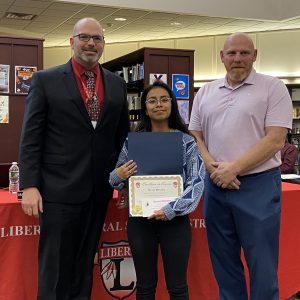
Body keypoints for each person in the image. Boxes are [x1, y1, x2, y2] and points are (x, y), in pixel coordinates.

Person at [19, 17, 129, 300]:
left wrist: (126, 184)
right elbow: (31, 138)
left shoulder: (117, 85)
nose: (91, 43)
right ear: (72, 41)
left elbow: (122, 140)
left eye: (97, 38)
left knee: (83, 265)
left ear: (103, 44)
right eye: (84, 37)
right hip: (56, 192)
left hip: (98, 191)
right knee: (55, 268)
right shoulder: (45, 80)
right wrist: (29, 186)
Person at [189, 32, 292, 300]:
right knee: (224, 263)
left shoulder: (273, 88)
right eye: (232, 53)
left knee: (262, 265)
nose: (238, 59)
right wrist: (215, 169)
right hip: (216, 186)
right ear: (222, 57)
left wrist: (232, 168)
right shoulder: (206, 92)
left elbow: (276, 139)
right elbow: (196, 136)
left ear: (255, 55)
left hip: (257, 185)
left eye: (244, 53)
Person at [109, 81, 205, 300]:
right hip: (141, 223)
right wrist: (120, 175)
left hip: (175, 223)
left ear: (172, 105)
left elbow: (197, 182)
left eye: (164, 99)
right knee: (144, 287)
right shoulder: (133, 142)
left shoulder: (187, 142)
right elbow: (114, 180)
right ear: (144, 107)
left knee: (178, 287)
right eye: (152, 101)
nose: (158, 105)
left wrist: (171, 209)